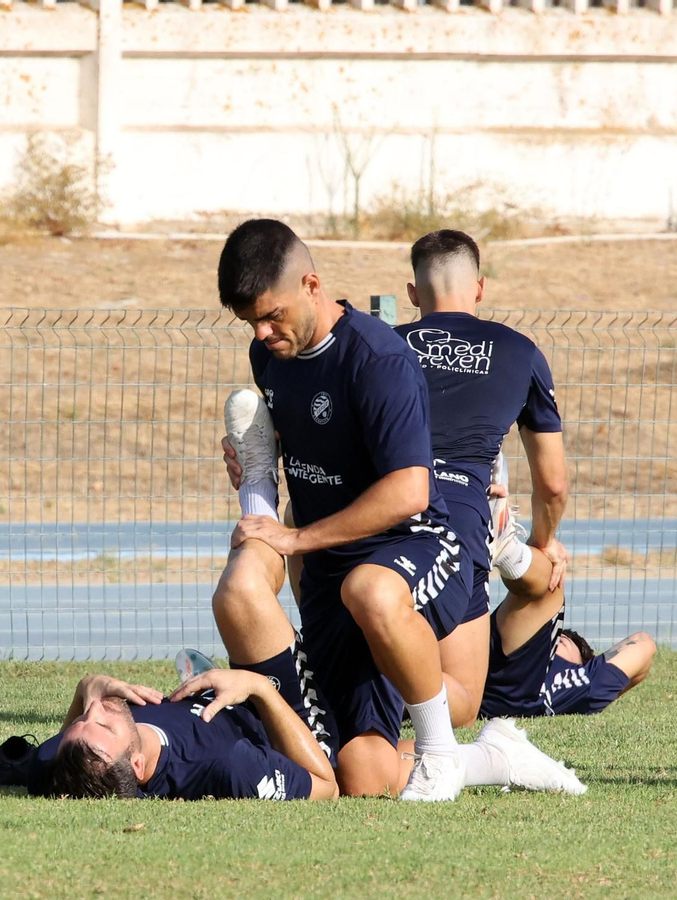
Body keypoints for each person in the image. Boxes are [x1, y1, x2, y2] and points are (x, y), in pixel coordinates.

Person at [211, 219, 476, 801]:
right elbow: (303, 441)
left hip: (415, 547)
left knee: (371, 590)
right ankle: (493, 758)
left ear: (311, 283)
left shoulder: (378, 360)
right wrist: (255, 461)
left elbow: (411, 490)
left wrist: (296, 539)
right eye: (250, 322)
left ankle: (437, 754)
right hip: (332, 572)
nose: (262, 332)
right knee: (357, 770)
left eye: (272, 315)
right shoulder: (271, 356)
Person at [391, 229, 568, 725]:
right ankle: (374, 701)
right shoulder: (521, 352)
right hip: (462, 520)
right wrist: (545, 539)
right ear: (481, 287)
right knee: (463, 702)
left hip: (376, 511)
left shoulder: (382, 346)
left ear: (411, 293)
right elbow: (552, 483)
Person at [31, 669, 339, 801]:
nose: (95, 707)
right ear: (137, 766)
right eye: (105, 724)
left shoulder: (68, 756)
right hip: (298, 718)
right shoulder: (228, 766)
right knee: (240, 589)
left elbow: (56, 756)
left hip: (237, 687)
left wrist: (85, 686)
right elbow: (328, 787)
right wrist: (259, 687)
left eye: (83, 718)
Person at [481, 490, 655, 718]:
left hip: (493, 690)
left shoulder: (578, 687)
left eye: (561, 638)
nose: (558, 639)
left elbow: (643, 644)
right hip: (500, 676)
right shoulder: (584, 687)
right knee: (548, 585)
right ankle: (508, 550)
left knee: (549, 583)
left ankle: (509, 550)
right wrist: (604, 690)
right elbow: (643, 645)